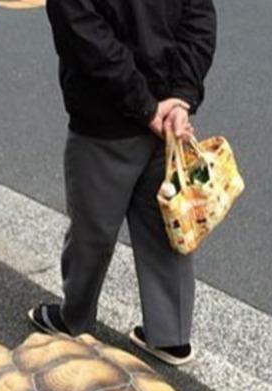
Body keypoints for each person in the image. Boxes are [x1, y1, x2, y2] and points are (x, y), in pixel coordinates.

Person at [28, 0, 217, 365]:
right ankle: (170, 334)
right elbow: (199, 18)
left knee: (93, 229)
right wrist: (180, 96)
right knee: (166, 224)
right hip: (169, 122)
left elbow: (87, 40)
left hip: (106, 123)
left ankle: (74, 320)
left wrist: (145, 107)